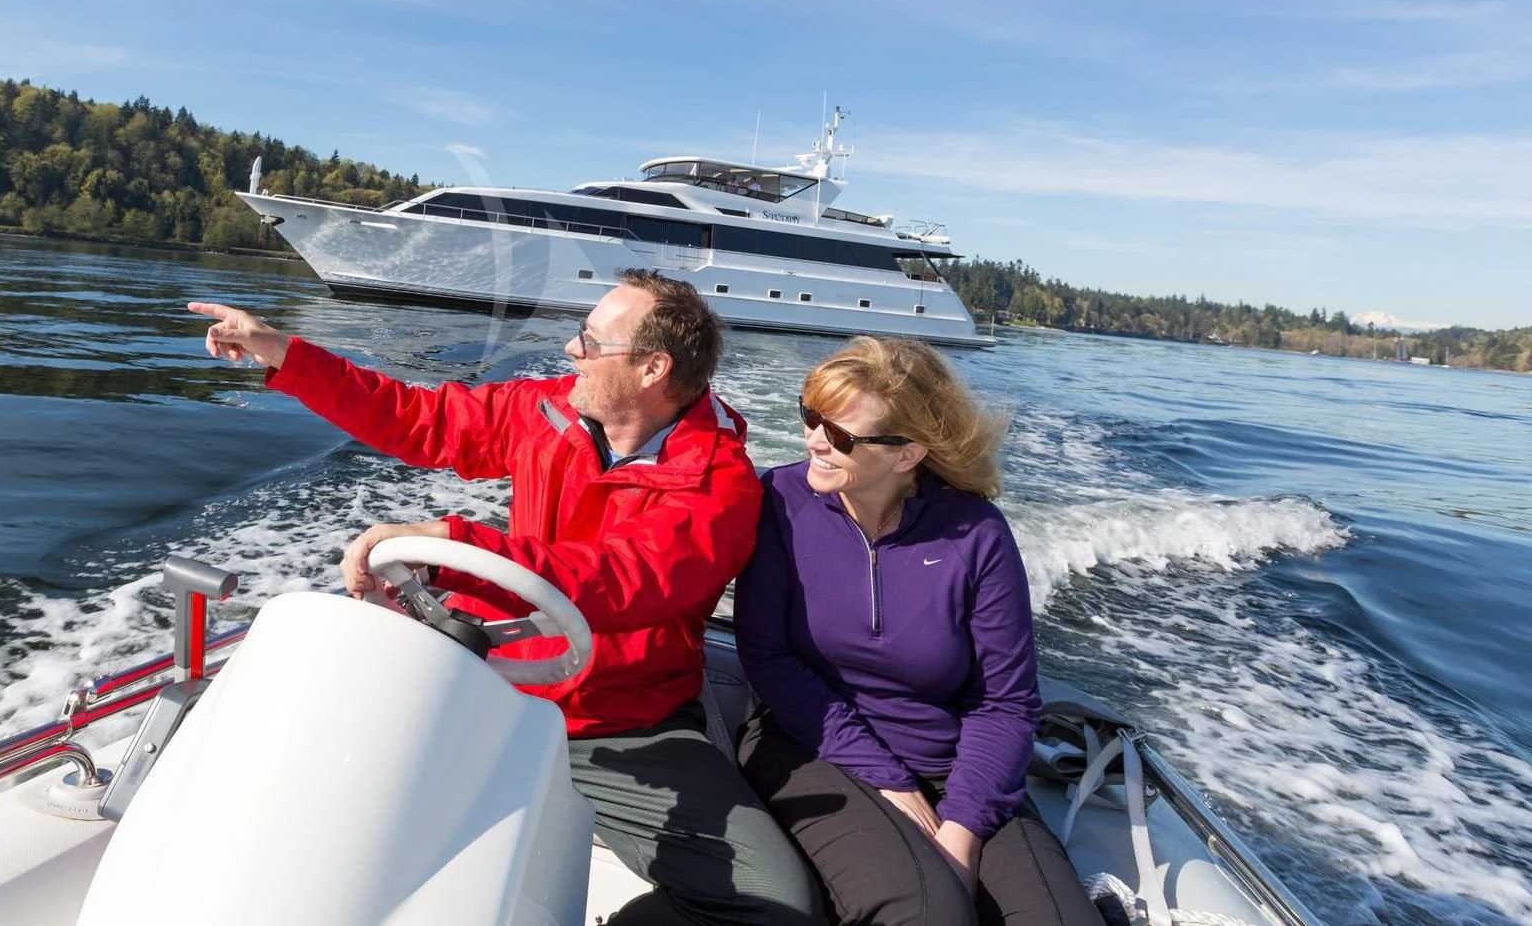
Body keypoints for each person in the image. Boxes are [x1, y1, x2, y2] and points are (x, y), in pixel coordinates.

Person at [190, 270, 819, 926]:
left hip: (626, 724)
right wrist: (284, 352)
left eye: (591, 340)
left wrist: (455, 546)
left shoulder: (721, 483)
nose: (571, 349)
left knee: (772, 905)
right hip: (491, 688)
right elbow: (417, 419)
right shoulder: (546, 410)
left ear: (652, 368)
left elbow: (620, 577)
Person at [734, 338, 1098, 926]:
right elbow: (767, 657)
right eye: (812, 416)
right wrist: (889, 781)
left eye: (843, 435)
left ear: (908, 455)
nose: (815, 441)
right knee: (927, 913)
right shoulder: (780, 501)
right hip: (810, 744)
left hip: (953, 763)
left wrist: (962, 833)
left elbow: (1004, 704)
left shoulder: (975, 534)